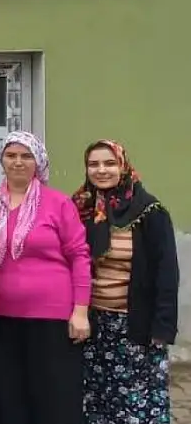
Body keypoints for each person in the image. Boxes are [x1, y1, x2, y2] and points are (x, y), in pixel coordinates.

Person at [0, 131, 91, 424]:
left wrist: (80, 312)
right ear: (1, 160)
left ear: (39, 161)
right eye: (11, 155)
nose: (18, 162)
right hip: (0, 316)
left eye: (26, 156)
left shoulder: (58, 203)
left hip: (51, 319)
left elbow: (80, 256)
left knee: (53, 396)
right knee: (8, 396)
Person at [73, 140, 178, 424]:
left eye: (109, 163)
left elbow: (166, 274)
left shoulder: (150, 212)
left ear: (123, 166)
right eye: (93, 164)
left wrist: (163, 327)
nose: (101, 170)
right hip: (93, 328)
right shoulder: (80, 209)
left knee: (137, 406)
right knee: (96, 403)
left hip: (135, 328)